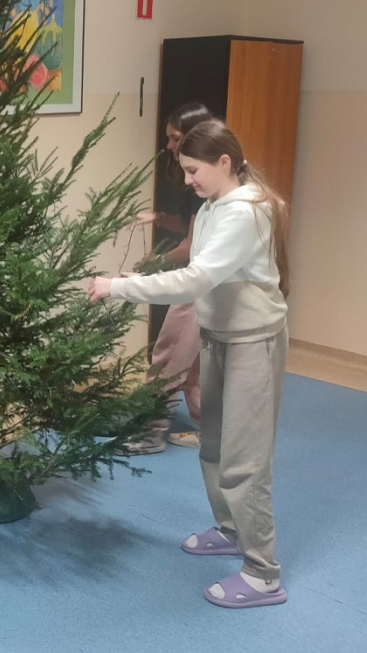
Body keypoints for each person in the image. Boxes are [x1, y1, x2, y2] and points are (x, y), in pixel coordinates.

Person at [88, 119, 290, 609]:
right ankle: (229, 529)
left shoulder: (245, 212)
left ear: (225, 162)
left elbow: (195, 280)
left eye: (194, 169)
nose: (188, 180)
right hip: (219, 338)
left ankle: (263, 573)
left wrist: (118, 286)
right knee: (215, 448)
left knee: (245, 462)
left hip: (252, 344)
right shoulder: (214, 205)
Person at [120, 102, 213, 454]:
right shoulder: (196, 184)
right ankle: (212, 431)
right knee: (197, 366)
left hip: (200, 284)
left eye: (175, 139)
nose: (171, 146)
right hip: (209, 281)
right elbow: (188, 230)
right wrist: (157, 217)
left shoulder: (207, 185)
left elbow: (190, 248)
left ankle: (150, 433)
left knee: (169, 356)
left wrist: (150, 266)